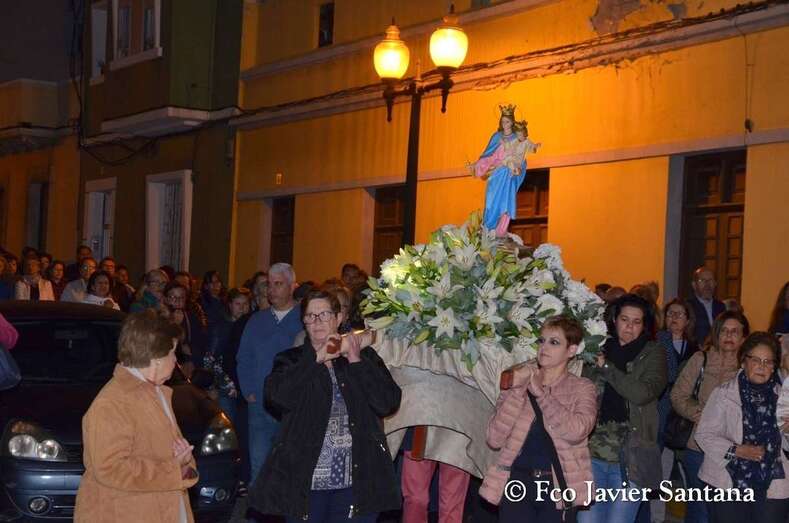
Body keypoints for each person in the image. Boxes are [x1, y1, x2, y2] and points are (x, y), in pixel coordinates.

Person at [247, 289, 402, 522]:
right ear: (304, 322)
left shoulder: (364, 358)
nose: (317, 321)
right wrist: (316, 359)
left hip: (356, 481)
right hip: (305, 483)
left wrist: (356, 361)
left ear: (339, 318)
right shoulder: (290, 360)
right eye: (311, 316)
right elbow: (277, 398)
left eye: (325, 314)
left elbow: (388, 403)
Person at [74, 310, 198, 522]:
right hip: (126, 513)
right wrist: (173, 469)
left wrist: (184, 463)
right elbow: (111, 468)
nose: (175, 360)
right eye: (172, 353)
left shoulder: (156, 392)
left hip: (160, 508)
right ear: (156, 359)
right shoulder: (112, 403)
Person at [478, 316, 597, 522]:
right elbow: (494, 438)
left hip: (556, 486)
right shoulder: (519, 383)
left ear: (571, 350)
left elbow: (577, 430)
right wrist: (517, 392)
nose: (544, 347)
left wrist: (542, 395)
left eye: (554, 342)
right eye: (541, 340)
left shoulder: (582, 387)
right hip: (517, 482)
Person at [580, 294, 667, 523]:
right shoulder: (595, 348)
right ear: (614, 320)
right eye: (624, 319)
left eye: (636, 322)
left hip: (631, 455)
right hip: (591, 452)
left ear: (644, 325)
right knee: (587, 520)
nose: (629, 327)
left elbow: (642, 393)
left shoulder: (653, 353)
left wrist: (606, 367)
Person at [695, 332, 789, 522]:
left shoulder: (784, 398)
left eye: (768, 361)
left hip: (774, 483)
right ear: (743, 362)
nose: (762, 366)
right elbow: (704, 435)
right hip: (728, 481)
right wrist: (736, 450)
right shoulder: (723, 394)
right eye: (756, 360)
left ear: (774, 367)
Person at [670, 310, 749, 523]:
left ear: (744, 337)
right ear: (716, 334)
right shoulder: (700, 358)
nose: (729, 336)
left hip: (735, 450)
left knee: (727, 511)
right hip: (698, 446)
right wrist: (699, 414)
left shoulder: (749, 366)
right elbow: (678, 394)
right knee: (700, 510)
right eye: (724, 331)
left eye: (735, 332)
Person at [237, 262, 304, 484]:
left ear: (292, 286)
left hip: (293, 407)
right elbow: (243, 357)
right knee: (260, 467)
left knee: (290, 468)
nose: (271, 290)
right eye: (269, 284)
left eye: (278, 284)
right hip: (260, 406)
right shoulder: (257, 320)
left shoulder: (304, 319)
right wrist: (249, 391)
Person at [471, 105, 535, 234]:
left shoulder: (517, 139)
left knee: (505, 205)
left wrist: (519, 168)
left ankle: (500, 232)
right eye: (503, 121)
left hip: (508, 176)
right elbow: (487, 155)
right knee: (490, 204)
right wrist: (477, 166)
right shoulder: (496, 136)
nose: (505, 124)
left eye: (507, 121)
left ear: (512, 122)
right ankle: (488, 230)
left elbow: (522, 159)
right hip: (496, 175)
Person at [204, 287, 249, 424]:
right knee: (227, 424)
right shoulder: (221, 327)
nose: (242, 308)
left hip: (242, 386)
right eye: (238, 304)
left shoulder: (249, 326)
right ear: (230, 305)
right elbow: (210, 359)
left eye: (245, 304)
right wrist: (211, 387)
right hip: (224, 387)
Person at [687, 267, 726, 345]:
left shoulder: (721, 307)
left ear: (715, 284)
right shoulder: (688, 306)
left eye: (710, 280)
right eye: (702, 280)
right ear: (694, 285)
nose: (707, 284)